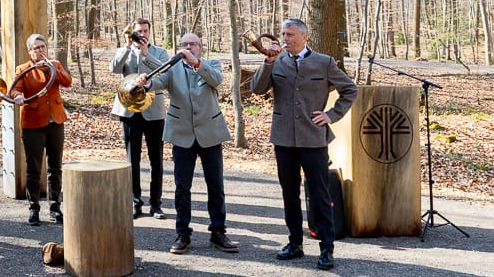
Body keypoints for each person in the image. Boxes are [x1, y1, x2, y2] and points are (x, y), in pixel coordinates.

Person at [250, 18, 358, 271]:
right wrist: (268, 62)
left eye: (290, 34)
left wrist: (330, 115)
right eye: (283, 34)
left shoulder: (324, 62)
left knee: (320, 195)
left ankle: (326, 248)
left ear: (304, 37)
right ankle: (294, 243)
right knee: (289, 194)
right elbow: (257, 89)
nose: (285, 38)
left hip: (313, 139)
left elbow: (350, 90)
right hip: (284, 139)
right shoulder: (276, 61)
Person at [136, 32, 238, 256]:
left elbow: (217, 81)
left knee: (216, 186)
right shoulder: (173, 68)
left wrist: (196, 63)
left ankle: (218, 232)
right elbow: (158, 82)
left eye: (193, 44)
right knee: (182, 187)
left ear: (201, 47)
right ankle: (183, 233)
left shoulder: (212, 64)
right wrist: (146, 83)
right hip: (182, 135)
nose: (188, 47)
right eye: (184, 44)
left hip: (210, 134)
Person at [9, 33, 73, 226]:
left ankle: (55, 207)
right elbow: (14, 89)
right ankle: (34, 208)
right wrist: (18, 96)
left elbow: (67, 82)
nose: (39, 50)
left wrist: (52, 68)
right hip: (33, 123)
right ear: (30, 51)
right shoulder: (23, 69)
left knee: (56, 166)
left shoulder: (55, 64)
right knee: (34, 168)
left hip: (55, 121)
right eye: (35, 48)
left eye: (42, 46)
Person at [110, 18, 169, 219]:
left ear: (150, 32)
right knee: (131, 160)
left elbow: (166, 72)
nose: (141, 34)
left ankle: (156, 204)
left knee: (156, 161)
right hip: (129, 111)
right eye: (138, 31)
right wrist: (127, 46)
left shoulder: (159, 52)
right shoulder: (124, 51)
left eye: (145, 31)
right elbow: (114, 69)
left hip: (153, 112)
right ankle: (136, 202)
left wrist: (146, 54)